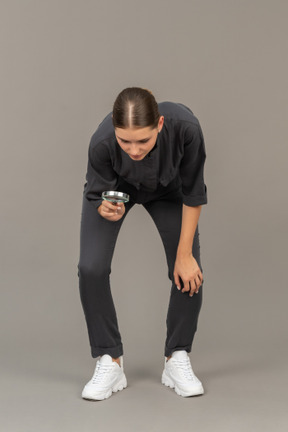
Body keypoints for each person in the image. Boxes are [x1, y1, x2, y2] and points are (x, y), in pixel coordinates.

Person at [77, 87, 208, 400]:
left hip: (170, 192)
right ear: (114, 128)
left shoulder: (186, 129)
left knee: (189, 271)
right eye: (125, 141)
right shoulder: (102, 142)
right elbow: (98, 193)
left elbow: (193, 192)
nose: (134, 150)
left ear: (160, 125)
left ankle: (176, 356)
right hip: (118, 190)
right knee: (90, 267)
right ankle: (110, 359)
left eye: (143, 140)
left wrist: (185, 254)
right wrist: (105, 207)